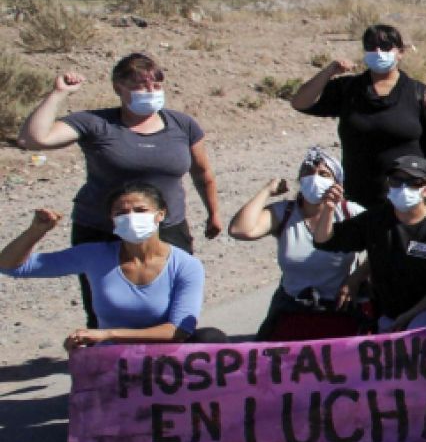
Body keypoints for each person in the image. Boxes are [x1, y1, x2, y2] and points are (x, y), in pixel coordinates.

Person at [18, 54, 224, 326]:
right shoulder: (95, 123)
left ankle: (166, 352)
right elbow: (34, 139)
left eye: (156, 85)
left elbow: (202, 173)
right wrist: (58, 94)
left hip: (166, 229)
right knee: (104, 307)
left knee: (170, 308)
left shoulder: (182, 125)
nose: (150, 91)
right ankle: (105, 348)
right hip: (102, 230)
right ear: (118, 87)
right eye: (140, 86)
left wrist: (213, 213)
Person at [2, 183, 223, 351]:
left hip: (165, 361)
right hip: (112, 360)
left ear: (160, 214)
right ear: (112, 219)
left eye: (140, 210)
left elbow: (179, 330)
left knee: (212, 339)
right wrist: (36, 231)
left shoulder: (185, 265)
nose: (131, 218)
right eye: (121, 213)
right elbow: (11, 266)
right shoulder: (95, 256)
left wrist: (108, 334)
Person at [290, 24, 426, 208]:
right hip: (359, 198)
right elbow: (300, 103)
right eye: (371, 46)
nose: (378, 52)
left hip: (409, 197)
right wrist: (329, 71)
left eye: (385, 47)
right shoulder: (348, 89)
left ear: (400, 53)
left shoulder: (418, 93)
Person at [227, 146, 366, 341]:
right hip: (293, 308)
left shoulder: (349, 213)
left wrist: (356, 278)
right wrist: (266, 191)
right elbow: (239, 230)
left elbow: (380, 245)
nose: (314, 178)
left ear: (337, 183)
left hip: (338, 309)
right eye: (308, 172)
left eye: (323, 174)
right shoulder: (284, 213)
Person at [310, 154, 426, 333]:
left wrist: (410, 316)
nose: (404, 187)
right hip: (389, 316)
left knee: (417, 328)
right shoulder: (376, 219)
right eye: (396, 181)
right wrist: (328, 208)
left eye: (413, 182)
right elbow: (324, 241)